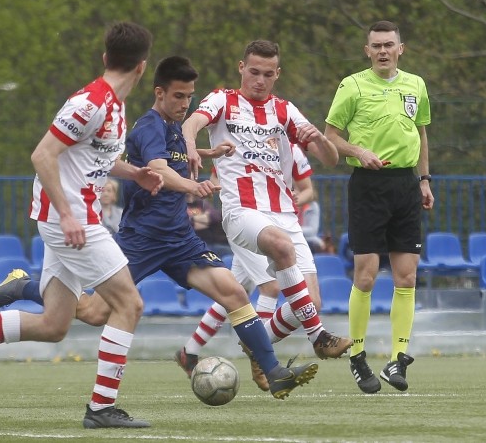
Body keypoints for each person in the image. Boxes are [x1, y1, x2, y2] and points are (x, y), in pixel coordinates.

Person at [0, 55, 321, 402]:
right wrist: (194, 187)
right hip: (141, 239)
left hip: (180, 239)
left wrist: (209, 150)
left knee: (233, 292)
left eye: (189, 96)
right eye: (178, 96)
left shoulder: (175, 126)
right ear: (159, 93)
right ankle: (25, 287)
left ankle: (274, 372)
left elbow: (173, 156)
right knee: (95, 312)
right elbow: (159, 167)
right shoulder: (148, 126)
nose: (185, 104)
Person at [0, 22, 161, 429]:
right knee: (129, 304)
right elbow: (43, 155)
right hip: (72, 220)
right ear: (142, 67)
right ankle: (101, 408)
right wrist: (65, 213)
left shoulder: (112, 105)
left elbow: (95, 159)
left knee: (54, 325)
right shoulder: (91, 102)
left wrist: (135, 174)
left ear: (106, 58)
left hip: (74, 219)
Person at [181, 40, 352, 386]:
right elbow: (191, 123)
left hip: (285, 215)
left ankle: (257, 344)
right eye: (254, 72)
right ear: (241, 68)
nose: (259, 80)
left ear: (278, 75)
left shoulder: (285, 110)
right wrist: (190, 149)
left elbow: (331, 159)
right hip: (241, 211)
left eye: (267, 74)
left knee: (310, 301)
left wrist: (318, 137)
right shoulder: (223, 100)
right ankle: (319, 338)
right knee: (279, 257)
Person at [323, 20, 434, 393]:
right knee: (366, 276)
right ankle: (357, 356)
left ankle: (397, 360)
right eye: (376, 46)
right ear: (367, 51)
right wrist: (359, 151)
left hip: (406, 185)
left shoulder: (415, 84)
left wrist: (424, 180)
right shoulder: (352, 85)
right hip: (368, 186)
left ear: (400, 48)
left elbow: (420, 133)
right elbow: (331, 137)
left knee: (407, 276)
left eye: (389, 44)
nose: (383, 51)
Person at [179, 142, 343, 392]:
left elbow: (308, 191)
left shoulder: (292, 150)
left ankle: (190, 352)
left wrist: (297, 197)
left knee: (233, 292)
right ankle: (266, 360)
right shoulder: (239, 142)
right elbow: (216, 176)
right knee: (271, 286)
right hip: (248, 223)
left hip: (280, 223)